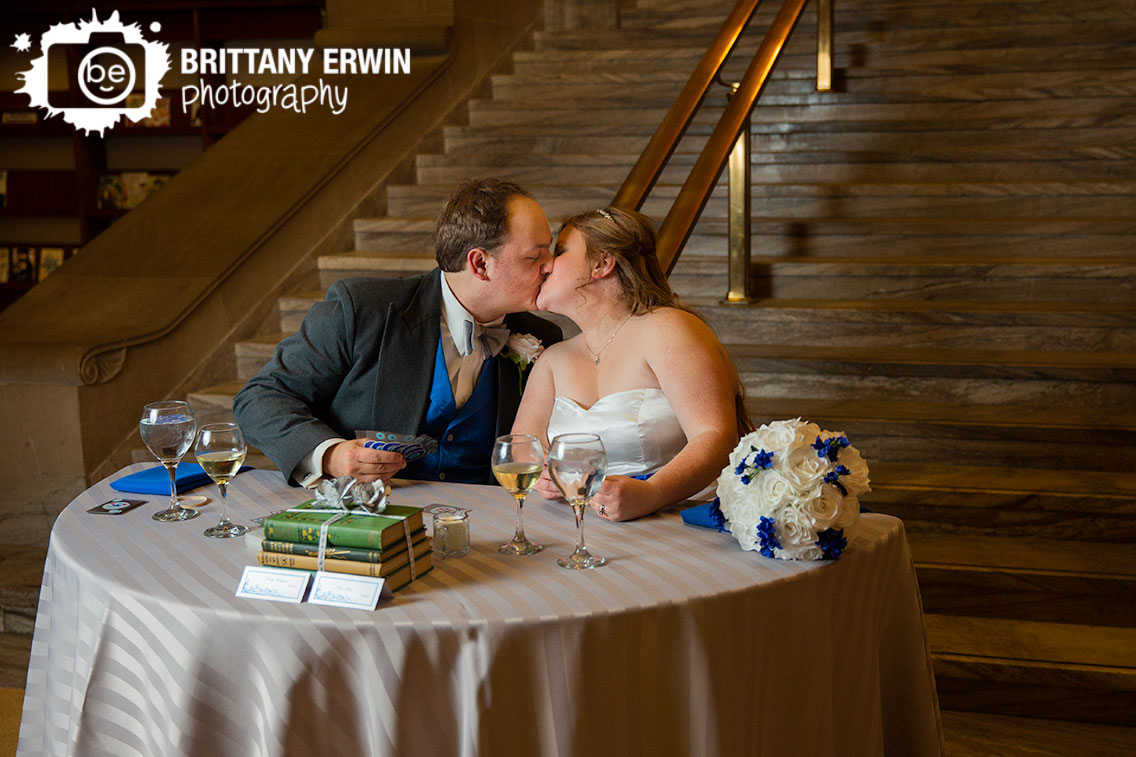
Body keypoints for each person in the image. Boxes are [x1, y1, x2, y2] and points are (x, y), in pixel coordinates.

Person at [234, 178, 562, 487]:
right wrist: (331, 455)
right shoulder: (363, 309)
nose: (550, 266)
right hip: (377, 520)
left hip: (490, 528)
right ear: (479, 264)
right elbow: (260, 398)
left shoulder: (542, 338)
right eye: (535, 255)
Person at [512, 206, 751, 522]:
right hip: (576, 528)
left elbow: (716, 437)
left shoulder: (667, 329)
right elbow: (522, 444)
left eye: (560, 251)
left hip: (675, 522)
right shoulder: (554, 360)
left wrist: (650, 494)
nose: (546, 266)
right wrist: (543, 475)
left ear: (602, 263)